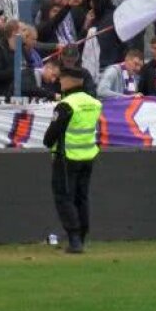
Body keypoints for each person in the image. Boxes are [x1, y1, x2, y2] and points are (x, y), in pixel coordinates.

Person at [41, 67, 100, 254]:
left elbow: (50, 136)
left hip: (67, 157)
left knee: (64, 197)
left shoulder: (66, 105)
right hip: (88, 155)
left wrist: (48, 142)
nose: (60, 82)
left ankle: (74, 240)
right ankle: (81, 237)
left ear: (68, 81)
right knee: (82, 197)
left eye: (62, 79)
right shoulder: (94, 103)